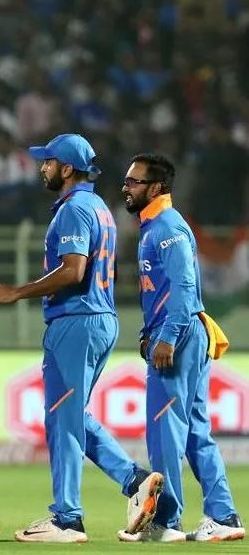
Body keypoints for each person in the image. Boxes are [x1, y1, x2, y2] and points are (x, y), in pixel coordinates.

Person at [0, 134, 163, 542]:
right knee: (69, 415)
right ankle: (133, 480)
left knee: (63, 421)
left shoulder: (74, 209)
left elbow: (73, 270)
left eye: (48, 161)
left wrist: (17, 292)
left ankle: (67, 518)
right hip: (97, 318)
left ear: (67, 168)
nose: (42, 168)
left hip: (76, 321)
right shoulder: (98, 207)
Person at [118, 153, 244, 542]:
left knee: (165, 433)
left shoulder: (167, 227)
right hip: (182, 331)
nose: (126, 187)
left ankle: (166, 522)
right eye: (127, 180)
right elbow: (161, 291)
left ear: (156, 187)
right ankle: (223, 517)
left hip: (179, 334)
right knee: (194, 433)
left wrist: (167, 337)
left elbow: (184, 287)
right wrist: (149, 332)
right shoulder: (155, 226)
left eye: (134, 182)